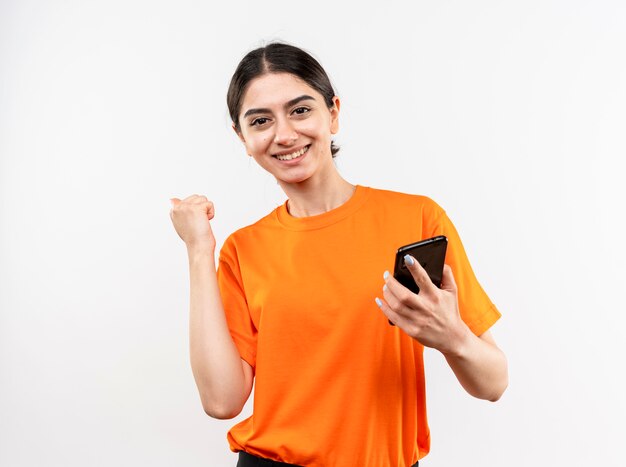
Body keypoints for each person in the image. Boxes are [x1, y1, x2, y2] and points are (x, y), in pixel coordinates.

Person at [169, 42, 508, 467]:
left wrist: (451, 337)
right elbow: (222, 401)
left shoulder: (418, 218)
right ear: (243, 138)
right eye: (261, 121)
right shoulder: (243, 250)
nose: (285, 134)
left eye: (300, 110)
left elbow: (493, 383)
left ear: (333, 113)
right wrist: (200, 251)